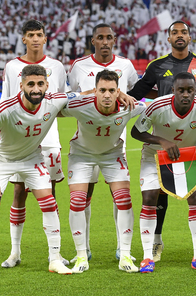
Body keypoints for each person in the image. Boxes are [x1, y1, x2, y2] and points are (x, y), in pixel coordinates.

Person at [128, 20, 196, 263]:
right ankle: (156, 240)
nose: (179, 36)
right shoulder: (157, 66)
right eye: (175, 32)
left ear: (189, 36)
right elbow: (139, 92)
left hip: (194, 136)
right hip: (163, 135)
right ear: (169, 38)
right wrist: (119, 97)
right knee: (158, 193)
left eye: (183, 32)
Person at [0, 64, 77, 278]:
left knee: (49, 203)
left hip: (32, 159)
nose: (36, 89)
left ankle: (55, 259)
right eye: (31, 84)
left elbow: (83, 95)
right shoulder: (4, 108)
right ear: (21, 86)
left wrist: (118, 93)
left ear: (47, 85)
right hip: (2, 160)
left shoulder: (55, 100)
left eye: (40, 84)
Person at [67, 23, 139, 263]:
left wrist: (121, 95)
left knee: (119, 196)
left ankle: (123, 249)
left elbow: (135, 97)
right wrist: (93, 95)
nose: (105, 41)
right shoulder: (79, 66)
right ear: (93, 41)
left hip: (116, 139)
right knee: (83, 196)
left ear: (115, 40)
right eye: (101, 38)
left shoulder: (126, 66)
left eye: (109, 37)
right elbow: (69, 97)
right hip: (87, 137)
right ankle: (83, 249)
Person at [60, 70, 145, 273]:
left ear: (119, 92)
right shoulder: (79, 105)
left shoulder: (130, 106)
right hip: (82, 155)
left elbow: (153, 106)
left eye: (111, 90)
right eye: (102, 90)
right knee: (77, 200)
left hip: (112, 155)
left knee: (124, 199)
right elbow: (53, 105)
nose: (107, 95)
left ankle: (124, 254)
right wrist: (84, 93)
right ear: (95, 91)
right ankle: (81, 256)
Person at [0, 20, 68, 269]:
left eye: (40, 34)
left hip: (48, 139)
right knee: (18, 193)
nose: (36, 38)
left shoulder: (57, 67)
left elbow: (61, 102)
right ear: (24, 39)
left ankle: (55, 254)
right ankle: (15, 252)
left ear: (45, 38)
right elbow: (5, 104)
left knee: (49, 194)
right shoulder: (12, 67)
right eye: (31, 35)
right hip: (18, 142)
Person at [131, 72, 196, 273]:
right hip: (155, 155)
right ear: (172, 91)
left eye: (189, 90)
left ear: (195, 91)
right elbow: (136, 132)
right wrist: (162, 141)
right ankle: (147, 257)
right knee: (150, 197)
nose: (185, 94)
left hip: (187, 155)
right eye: (181, 90)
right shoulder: (157, 106)